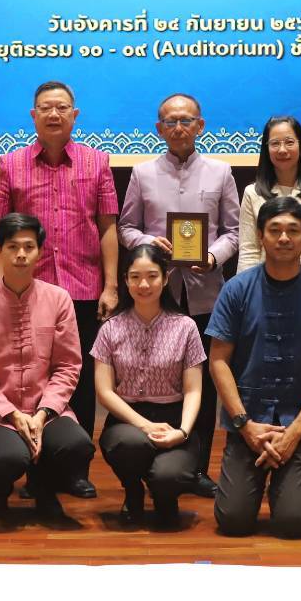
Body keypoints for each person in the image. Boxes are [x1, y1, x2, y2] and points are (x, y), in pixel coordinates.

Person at [0, 80, 118, 498]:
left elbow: (107, 227)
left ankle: (75, 470)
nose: (54, 114)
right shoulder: (11, 164)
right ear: (33, 115)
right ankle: (35, 471)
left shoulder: (97, 162)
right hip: (29, 291)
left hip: (83, 288)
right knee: (30, 378)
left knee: (78, 379)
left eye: (62, 107)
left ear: (74, 115)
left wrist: (111, 285)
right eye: (46, 107)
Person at [207, 195, 301, 539]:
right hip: (248, 421)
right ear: (260, 235)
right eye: (275, 230)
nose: (284, 238)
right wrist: (244, 425)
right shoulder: (236, 290)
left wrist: (295, 433)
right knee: (232, 521)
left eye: (293, 230)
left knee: (294, 523)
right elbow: (218, 361)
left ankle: (291, 488)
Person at [117, 92, 237, 498]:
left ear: (200, 125)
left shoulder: (220, 172)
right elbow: (126, 228)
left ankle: (196, 468)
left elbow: (234, 232)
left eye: (186, 120)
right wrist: (148, 243)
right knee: (157, 378)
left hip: (206, 294)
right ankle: (155, 460)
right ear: (159, 128)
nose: (179, 128)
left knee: (202, 384)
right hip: (155, 293)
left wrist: (214, 256)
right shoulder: (142, 173)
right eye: (171, 121)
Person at [0, 213, 95, 520]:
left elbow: (68, 366)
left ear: (40, 251)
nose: (21, 254)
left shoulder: (59, 299)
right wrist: (13, 414)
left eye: (29, 247)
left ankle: (44, 487)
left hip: (47, 409)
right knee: (9, 457)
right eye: (12, 246)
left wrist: (43, 413)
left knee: (77, 446)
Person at [91, 245, 205, 527]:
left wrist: (183, 432)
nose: (143, 285)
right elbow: (104, 392)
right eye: (135, 277)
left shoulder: (186, 327)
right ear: (126, 280)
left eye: (152, 276)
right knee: (130, 444)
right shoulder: (110, 328)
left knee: (170, 476)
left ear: (165, 278)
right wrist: (145, 426)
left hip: (174, 419)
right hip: (127, 421)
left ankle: (165, 495)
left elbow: (193, 390)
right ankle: (133, 491)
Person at [238, 115, 301, 287]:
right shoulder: (252, 193)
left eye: (289, 142)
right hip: (264, 287)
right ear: (266, 149)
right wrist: (248, 291)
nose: (282, 150)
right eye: (275, 143)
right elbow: (248, 251)